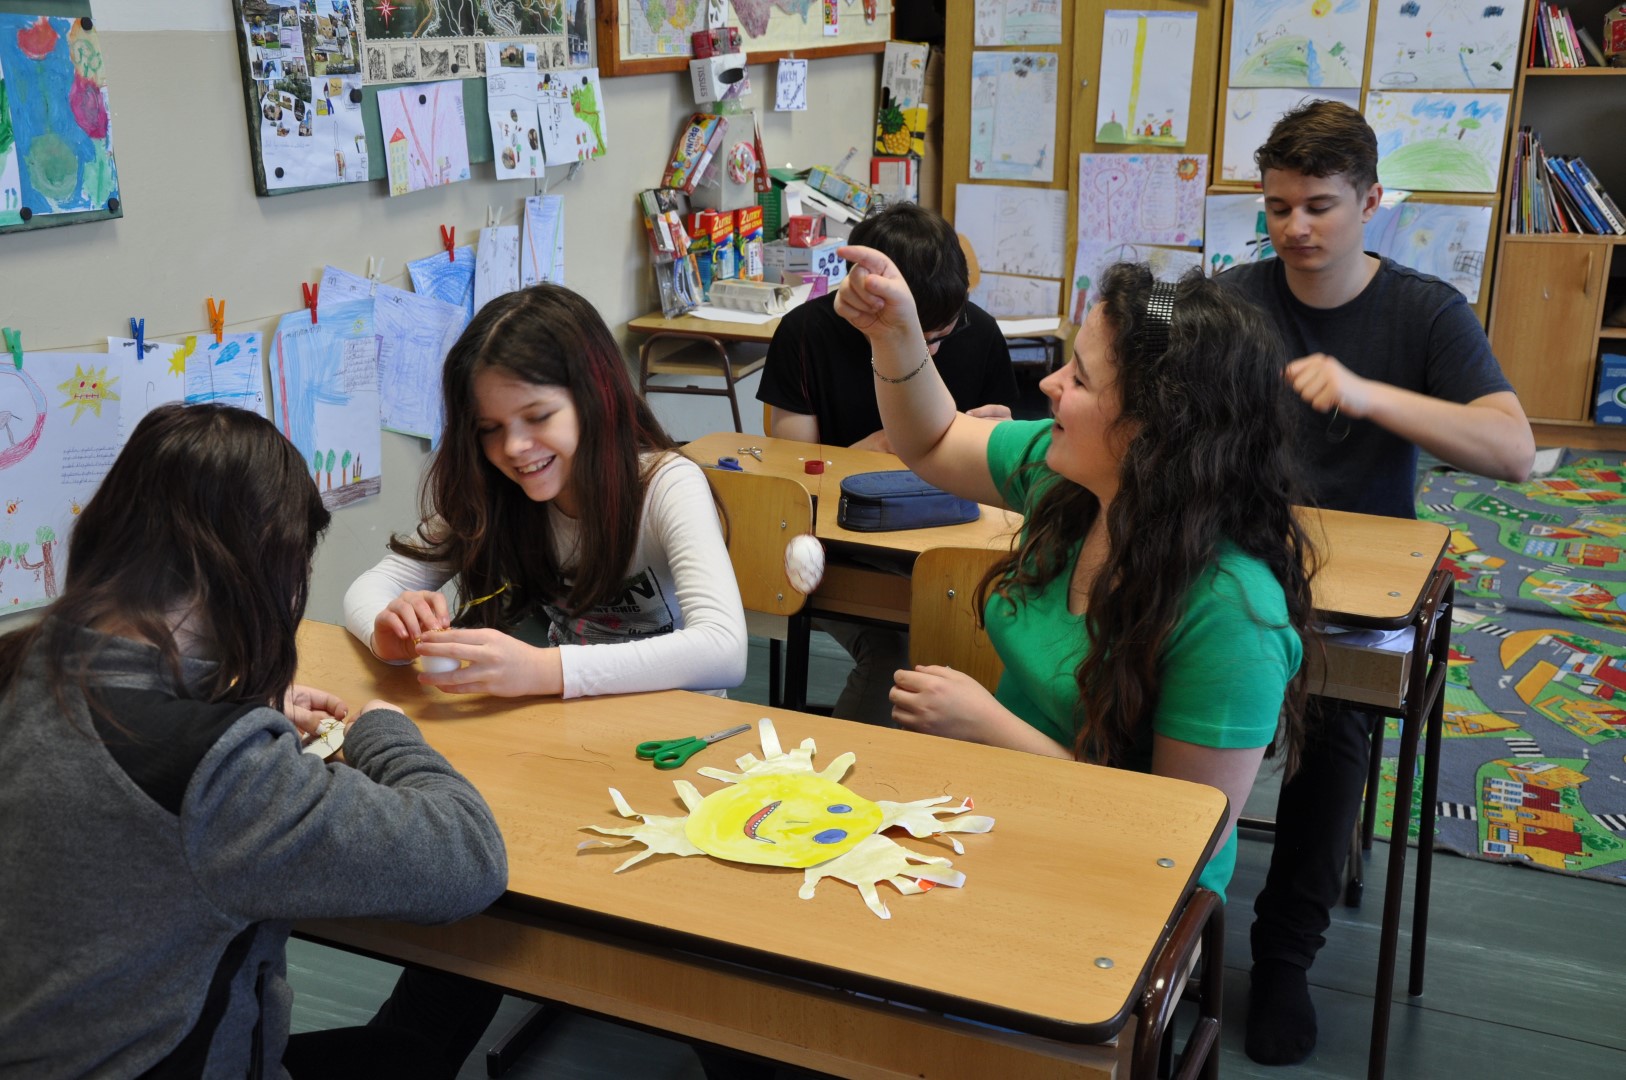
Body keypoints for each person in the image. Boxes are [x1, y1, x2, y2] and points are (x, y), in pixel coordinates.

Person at [0, 403, 507, 1079]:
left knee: (393, 1051)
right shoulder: (215, 775)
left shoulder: (22, 669)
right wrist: (384, 731)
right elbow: (469, 858)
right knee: (404, 1060)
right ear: (263, 568)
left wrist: (223, 704)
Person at [833, 246, 1317, 904]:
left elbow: (1178, 837)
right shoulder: (1072, 481)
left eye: (1082, 380)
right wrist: (895, 334)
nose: (1050, 385)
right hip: (1010, 817)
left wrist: (992, 728)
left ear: (1152, 429)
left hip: (1128, 889)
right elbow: (934, 439)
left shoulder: (1232, 613)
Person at [1216, 99, 1536, 1065]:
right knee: (1139, 681)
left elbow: (1513, 450)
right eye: (1278, 207)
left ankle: (1284, 956)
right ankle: (1169, 913)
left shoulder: (1424, 311)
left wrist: (1368, 395)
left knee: (1334, 735)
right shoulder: (1233, 299)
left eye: (1319, 206)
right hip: (1237, 566)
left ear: (1371, 201)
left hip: (1362, 594)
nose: (1296, 228)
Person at [345, 283, 748, 700]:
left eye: (538, 416)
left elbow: (724, 650)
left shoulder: (667, 485)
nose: (513, 447)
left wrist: (543, 669)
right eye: (490, 428)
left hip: (681, 722)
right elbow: (370, 587)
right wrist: (387, 633)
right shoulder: (498, 489)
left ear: (596, 398)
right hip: (567, 718)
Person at [757, 202, 1019, 726]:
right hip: (843, 549)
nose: (931, 354)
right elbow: (793, 474)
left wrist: (999, 437)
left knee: (994, 639)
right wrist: (870, 452)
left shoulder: (980, 332)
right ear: (867, 296)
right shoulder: (806, 333)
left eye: (941, 336)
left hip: (950, 540)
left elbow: (1005, 463)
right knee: (897, 656)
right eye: (917, 338)